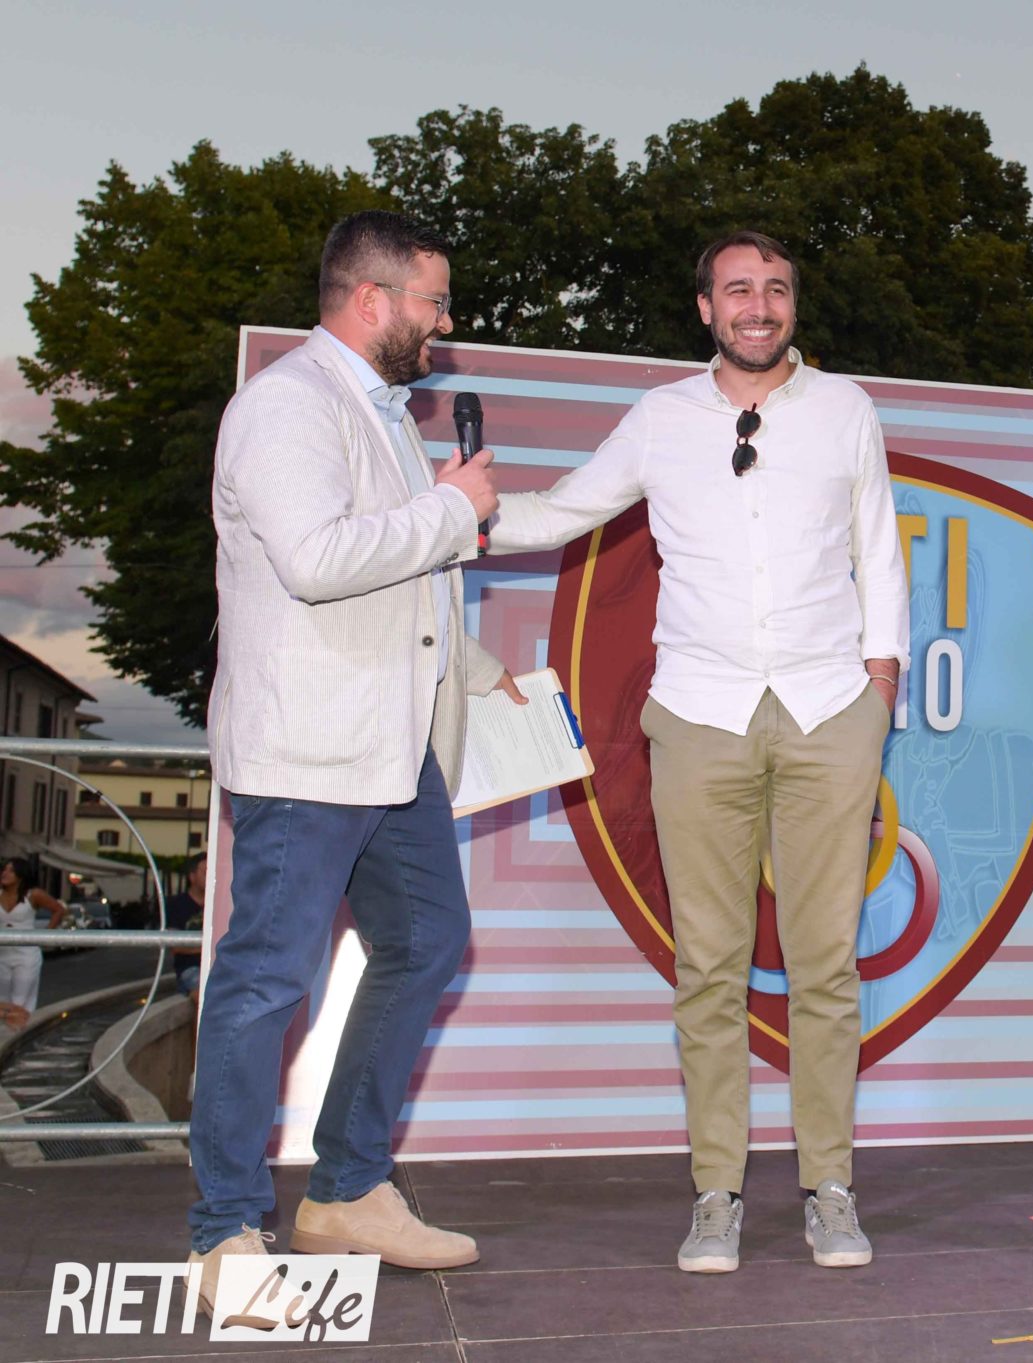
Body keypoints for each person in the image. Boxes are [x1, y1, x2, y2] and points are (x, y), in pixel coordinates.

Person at [488, 231, 907, 1274]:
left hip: (828, 709)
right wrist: (464, 513)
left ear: (792, 305)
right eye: (737, 289)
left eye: (775, 288)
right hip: (698, 712)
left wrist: (881, 684)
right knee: (707, 967)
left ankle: (830, 1189)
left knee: (825, 965)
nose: (758, 305)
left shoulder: (845, 409)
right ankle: (716, 1194)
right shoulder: (662, 418)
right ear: (705, 309)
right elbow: (565, 511)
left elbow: (877, 544)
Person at [192, 209, 519, 1322]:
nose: (444, 323)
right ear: (372, 300)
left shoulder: (381, 412)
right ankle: (225, 1229)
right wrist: (452, 508)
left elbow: (403, 585)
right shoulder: (287, 404)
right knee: (267, 980)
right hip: (305, 749)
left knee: (426, 940)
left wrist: (478, 669)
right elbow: (319, 559)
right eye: (435, 301)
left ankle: (345, 1190)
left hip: (389, 749)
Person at [0, 857, 61, 1019]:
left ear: (21, 875)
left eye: (11, 870)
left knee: (19, 1001)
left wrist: (45, 935)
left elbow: (58, 910)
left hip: (26, 954)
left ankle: (20, 1030)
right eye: (4, 869)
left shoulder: (33, 895)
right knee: (3, 1001)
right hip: (2, 954)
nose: (5, 873)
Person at [165, 854, 207, 996]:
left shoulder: (219, 903)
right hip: (190, 968)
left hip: (216, 966)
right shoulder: (177, 905)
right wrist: (210, 947)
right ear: (192, 876)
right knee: (202, 994)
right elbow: (176, 946)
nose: (211, 876)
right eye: (205, 872)